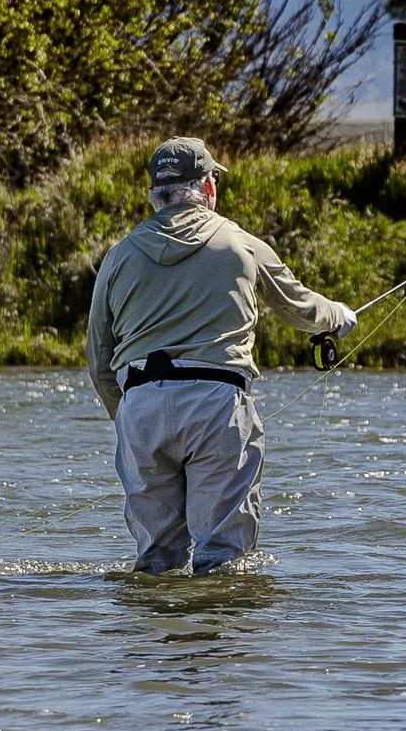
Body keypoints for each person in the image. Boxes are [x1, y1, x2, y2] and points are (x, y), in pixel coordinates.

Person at [85, 137, 355, 574]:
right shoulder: (240, 244)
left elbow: (99, 359)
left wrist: (130, 418)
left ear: (157, 193)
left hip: (140, 408)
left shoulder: (118, 256)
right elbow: (300, 306)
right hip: (217, 406)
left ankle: (156, 641)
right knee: (224, 562)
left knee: (157, 564)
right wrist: (337, 317)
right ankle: (216, 641)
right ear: (207, 186)